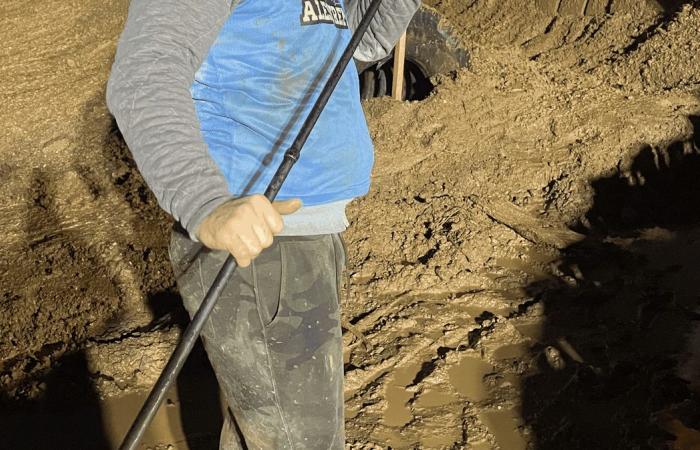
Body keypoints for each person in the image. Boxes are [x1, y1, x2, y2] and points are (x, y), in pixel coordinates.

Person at [106, 0, 418, 448]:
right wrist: (206, 202)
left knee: (268, 432)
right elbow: (144, 73)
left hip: (307, 232)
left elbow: (360, 42)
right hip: (256, 245)